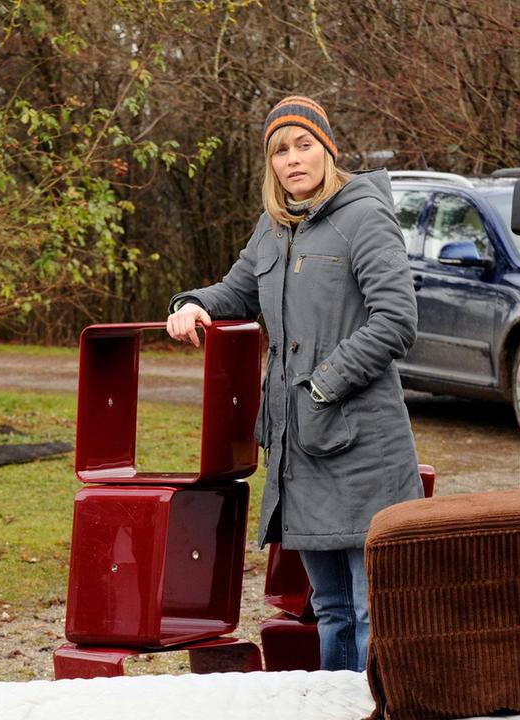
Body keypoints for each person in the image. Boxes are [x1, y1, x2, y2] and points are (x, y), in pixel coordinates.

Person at [165, 96, 422, 671]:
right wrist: (190, 304)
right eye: (280, 150)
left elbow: (397, 319)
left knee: (369, 606)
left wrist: (323, 384)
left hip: (362, 447)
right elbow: (235, 292)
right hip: (297, 448)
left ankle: (378, 707)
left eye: (304, 145)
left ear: (327, 149)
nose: (292, 159)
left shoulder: (363, 215)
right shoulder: (273, 228)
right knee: (328, 609)